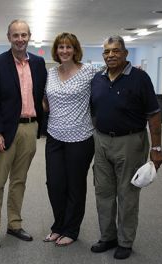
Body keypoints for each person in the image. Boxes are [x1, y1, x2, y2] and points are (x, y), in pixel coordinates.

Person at [90, 35, 162, 260]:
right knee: (103, 192)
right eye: (106, 52)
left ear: (125, 53)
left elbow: (153, 114)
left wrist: (157, 149)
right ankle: (108, 237)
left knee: (127, 194)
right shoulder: (97, 78)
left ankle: (125, 241)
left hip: (130, 142)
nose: (110, 55)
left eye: (115, 51)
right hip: (101, 141)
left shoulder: (140, 78)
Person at [0, 19, 47, 248]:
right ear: (8, 37)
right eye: (15, 35)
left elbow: (42, 95)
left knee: (20, 180)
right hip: (5, 130)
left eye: (24, 35)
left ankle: (14, 224)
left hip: (30, 128)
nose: (20, 39)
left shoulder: (39, 64)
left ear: (29, 36)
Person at [43, 33, 95, 247]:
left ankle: (71, 230)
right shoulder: (51, 73)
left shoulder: (89, 71)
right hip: (54, 136)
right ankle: (58, 226)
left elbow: (105, 90)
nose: (64, 51)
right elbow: (46, 100)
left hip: (80, 138)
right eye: (61, 47)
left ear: (75, 50)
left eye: (68, 47)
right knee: (54, 184)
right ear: (56, 51)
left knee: (75, 186)